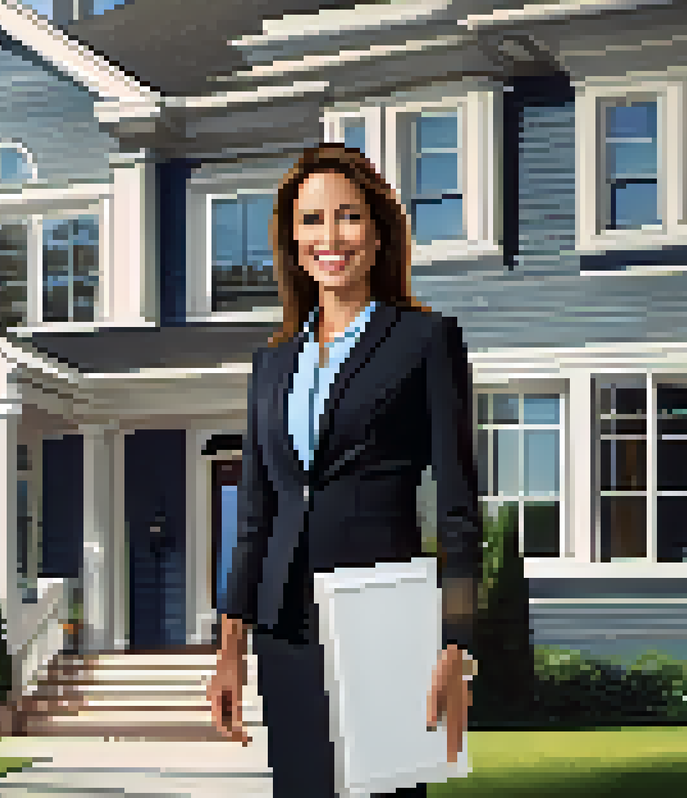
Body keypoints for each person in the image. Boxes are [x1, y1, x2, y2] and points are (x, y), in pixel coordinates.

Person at [205, 143, 483, 797]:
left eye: (348, 217)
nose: (329, 237)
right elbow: (255, 517)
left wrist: (456, 643)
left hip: (382, 619)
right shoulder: (271, 365)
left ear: (379, 233)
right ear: (291, 237)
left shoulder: (424, 341)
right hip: (286, 627)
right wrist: (228, 652)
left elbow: (459, 507)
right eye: (311, 220)